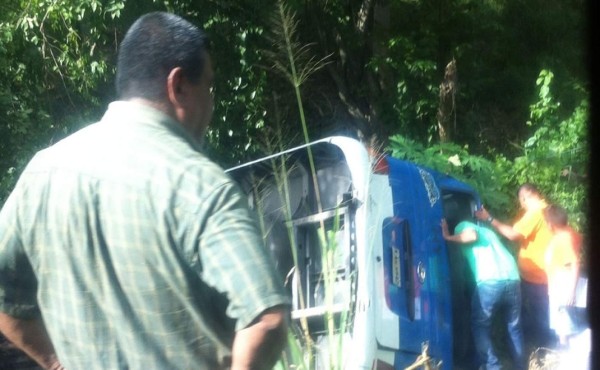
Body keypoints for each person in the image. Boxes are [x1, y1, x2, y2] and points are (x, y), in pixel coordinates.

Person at [0, 12, 290, 370]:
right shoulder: (199, 185)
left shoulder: (42, 173)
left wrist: (55, 362)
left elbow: (5, 298)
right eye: (209, 87)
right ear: (178, 85)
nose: (211, 104)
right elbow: (267, 319)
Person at [475, 183, 554, 349]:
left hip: (536, 278)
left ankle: (542, 351)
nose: (522, 206)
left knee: (539, 317)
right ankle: (538, 349)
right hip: (544, 275)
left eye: (521, 202)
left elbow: (513, 234)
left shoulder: (535, 213)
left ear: (524, 198)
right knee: (538, 315)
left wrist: (488, 219)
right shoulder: (549, 209)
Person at [442, 216, 525, 370]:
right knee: (514, 327)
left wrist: (448, 237)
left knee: (479, 326)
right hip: (513, 278)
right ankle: (521, 366)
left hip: (490, 280)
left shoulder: (462, 224)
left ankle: (493, 366)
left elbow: (471, 236)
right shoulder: (487, 231)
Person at [543, 204, 583, 348]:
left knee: (567, 328)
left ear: (550, 223)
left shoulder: (564, 238)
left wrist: (571, 292)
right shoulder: (569, 234)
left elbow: (575, 262)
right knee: (563, 326)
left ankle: (568, 357)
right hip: (559, 285)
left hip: (564, 285)